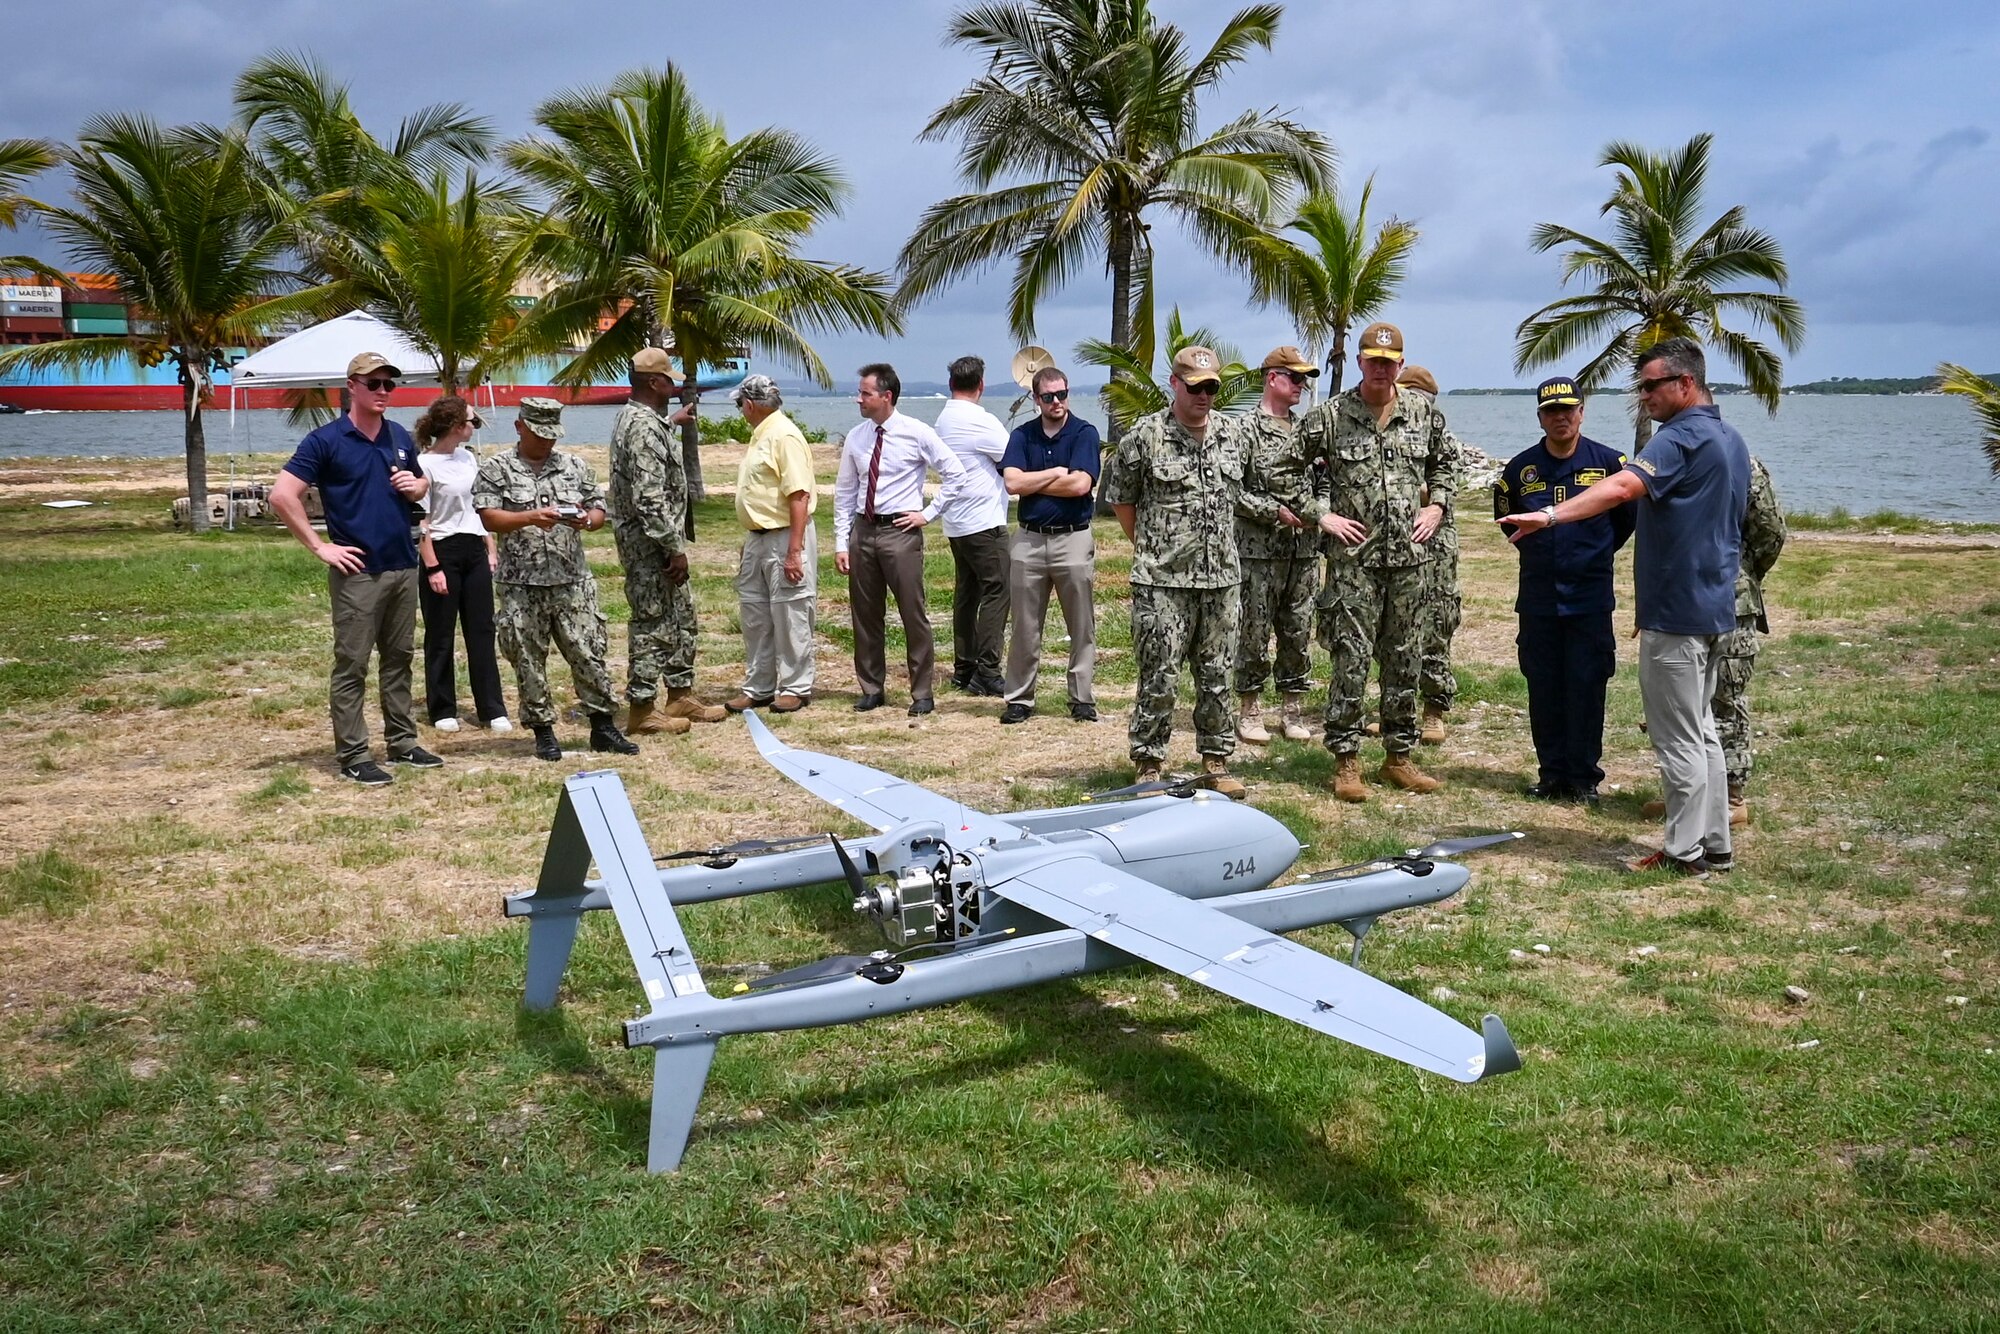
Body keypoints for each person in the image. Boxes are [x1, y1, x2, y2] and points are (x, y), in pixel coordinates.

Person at [1500, 337, 1749, 876]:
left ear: (1686, 384)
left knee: (1678, 738)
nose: (1643, 398)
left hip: (1676, 611)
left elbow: (1618, 492)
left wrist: (1548, 517)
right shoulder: (1730, 438)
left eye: (1651, 386)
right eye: (1639, 387)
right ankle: (1716, 843)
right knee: (1703, 731)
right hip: (1712, 605)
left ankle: (1684, 853)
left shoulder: (1677, 438)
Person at [1298, 322, 1457, 802]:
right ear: (1361, 362)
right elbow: (1279, 469)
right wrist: (1319, 514)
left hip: (1409, 563)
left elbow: (1445, 465)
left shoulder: (1423, 415)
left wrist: (1438, 505)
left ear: (1400, 366)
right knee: (1350, 660)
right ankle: (1346, 761)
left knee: (1404, 659)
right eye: (1373, 360)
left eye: (1390, 362)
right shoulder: (1330, 416)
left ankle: (1398, 757)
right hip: (1353, 564)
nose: (1381, 368)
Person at [269, 351, 441, 786]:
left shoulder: (399, 435)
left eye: (389, 384)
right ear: (352, 386)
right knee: (353, 664)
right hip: (358, 573)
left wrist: (415, 484)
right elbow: (282, 496)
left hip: (402, 565)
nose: (383, 391)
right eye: (374, 383)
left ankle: (403, 743)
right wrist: (320, 547)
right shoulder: (325, 441)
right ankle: (353, 754)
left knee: (399, 659)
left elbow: (422, 483)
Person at [1101, 345, 1247, 797]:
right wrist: (1153, 548)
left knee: (1218, 675)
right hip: (1162, 583)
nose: (1204, 395)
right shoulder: (1145, 437)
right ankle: (1149, 763)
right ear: (1175, 384)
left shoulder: (1232, 434)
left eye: (1211, 388)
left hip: (1222, 579)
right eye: (1196, 387)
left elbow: (1242, 495)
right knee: (1160, 675)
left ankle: (1216, 760)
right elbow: (1121, 501)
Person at [474, 398, 646, 761]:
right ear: (520, 427)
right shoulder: (497, 468)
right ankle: (543, 732)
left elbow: (599, 510)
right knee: (528, 659)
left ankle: (602, 726)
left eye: (551, 436)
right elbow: (488, 517)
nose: (546, 443)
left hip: (572, 580)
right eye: (539, 435)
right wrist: (531, 517)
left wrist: (587, 519)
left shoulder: (575, 466)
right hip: (522, 584)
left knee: (588, 653)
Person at [1493, 377, 1634, 805]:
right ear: (1540, 416)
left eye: (1568, 410)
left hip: (1589, 597)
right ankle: (1552, 774)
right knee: (1544, 684)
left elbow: (1626, 520)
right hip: (1538, 598)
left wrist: (1590, 552)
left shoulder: (1611, 463)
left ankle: (1584, 776)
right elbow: (1508, 522)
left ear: (1582, 412)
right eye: (1552, 411)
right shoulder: (1520, 469)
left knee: (1587, 684)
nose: (1561, 417)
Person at [1644, 455, 1786, 825]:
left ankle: (1730, 798)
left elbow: (1770, 530)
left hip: (1729, 598)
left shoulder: (1740, 460)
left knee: (1723, 701)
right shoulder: (1667, 455)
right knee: (1685, 708)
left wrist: (1741, 570)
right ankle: (1692, 798)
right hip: (1679, 599)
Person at [831, 363, 971, 716]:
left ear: (886, 396)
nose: (858, 399)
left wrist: (927, 513)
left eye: (865, 393)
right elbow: (845, 492)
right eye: (860, 392)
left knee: (913, 612)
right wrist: (840, 541)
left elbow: (956, 474)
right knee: (865, 614)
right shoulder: (857, 437)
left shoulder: (916, 432)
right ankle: (871, 687)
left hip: (901, 532)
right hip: (863, 531)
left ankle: (921, 691)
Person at [609, 347, 724, 734]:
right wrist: (673, 547)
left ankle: (679, 695)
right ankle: (642, 709)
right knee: (652, 624)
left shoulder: (648, 422)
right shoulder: (642, 426)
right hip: (651, 548)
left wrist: (672, 423)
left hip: (657, 544)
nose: (674, 385)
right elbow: (648, 497)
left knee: (681, 619)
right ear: (654, 382)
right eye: (669, 379)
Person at [1230, 346, 1321, 746]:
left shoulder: (1307, 431)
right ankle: (1249, 708)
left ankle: (1291, 708)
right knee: (1253, 631)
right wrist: (1274, 511)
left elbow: (1324, 482)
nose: (1302, 385)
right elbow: (1233, 490)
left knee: (1298, 630)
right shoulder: (1244, 430)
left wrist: (1320, 511)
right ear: (1273, 378)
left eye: (1305, 379)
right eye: (1295, 377)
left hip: (1302, 551)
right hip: (1258, 551)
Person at [998, 365, 1100, 725]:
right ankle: (1020, 699)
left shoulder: (1084, 433)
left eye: (1062, 394)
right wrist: (1057, 473)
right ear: (1035, 398)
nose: (1056, 402)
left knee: (1081, 623)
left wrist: (1034, 481)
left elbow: (1080, 486)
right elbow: (1011, 483)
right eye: (1048, 397)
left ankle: (1082, 698)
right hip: (1029, 540)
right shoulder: (1023, 435)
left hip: (1072, 537)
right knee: (1025, 625)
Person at [412, 395, 510, 735]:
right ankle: (442, 707)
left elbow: (479, 509)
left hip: (474, 548)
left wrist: (490, 548)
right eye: (473, 421)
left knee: (482, 629)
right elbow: (421, 521)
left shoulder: (468, 458)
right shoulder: (425, 464)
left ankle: (492, 708)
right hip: (442, 549)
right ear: (457, 426)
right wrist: (433, 567)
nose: (475, 426)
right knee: (440, 632)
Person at [727, 374, 818, 713]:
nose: (741, 410)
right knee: (755, 614)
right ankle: (759, 686)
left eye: (741, 404)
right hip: (758, 537)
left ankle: (795, 686)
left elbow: (799, 495)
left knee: (791, 611)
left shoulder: (784, 436)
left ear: (749, 404)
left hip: (783, 536)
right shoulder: (761, 435)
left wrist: (794, 551)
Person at [933, 355, 1013, 696]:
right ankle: (988, 667)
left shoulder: (943, 420)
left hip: (956, 521)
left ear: (951, 385)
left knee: (967, 594)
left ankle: (964, 667)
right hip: (984, 520)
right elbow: (1011, 457)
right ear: (981, 385)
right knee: (999, 589)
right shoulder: (981, 421)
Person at [1397, 363, 1462, 745]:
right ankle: (1398, 711)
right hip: (1396, 548)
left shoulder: (1441, 441)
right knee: (1396, 632)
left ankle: (1434, 710)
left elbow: (1443, 487)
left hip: (1436, 550)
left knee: (1436, 625)